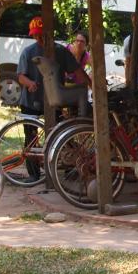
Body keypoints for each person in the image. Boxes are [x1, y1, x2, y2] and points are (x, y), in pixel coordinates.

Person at [16, 16, 88, 179]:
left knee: (63, 133)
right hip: (31, 100)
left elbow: (78, 71)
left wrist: (93, 86)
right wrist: (30, 83)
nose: (39, 38)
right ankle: (34, 174)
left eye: (42, 34)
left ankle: (70, 166)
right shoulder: (28, 52)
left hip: (54, 100)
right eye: (36, 35)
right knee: (31, 138)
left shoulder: (61, 51)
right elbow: (20, 76)